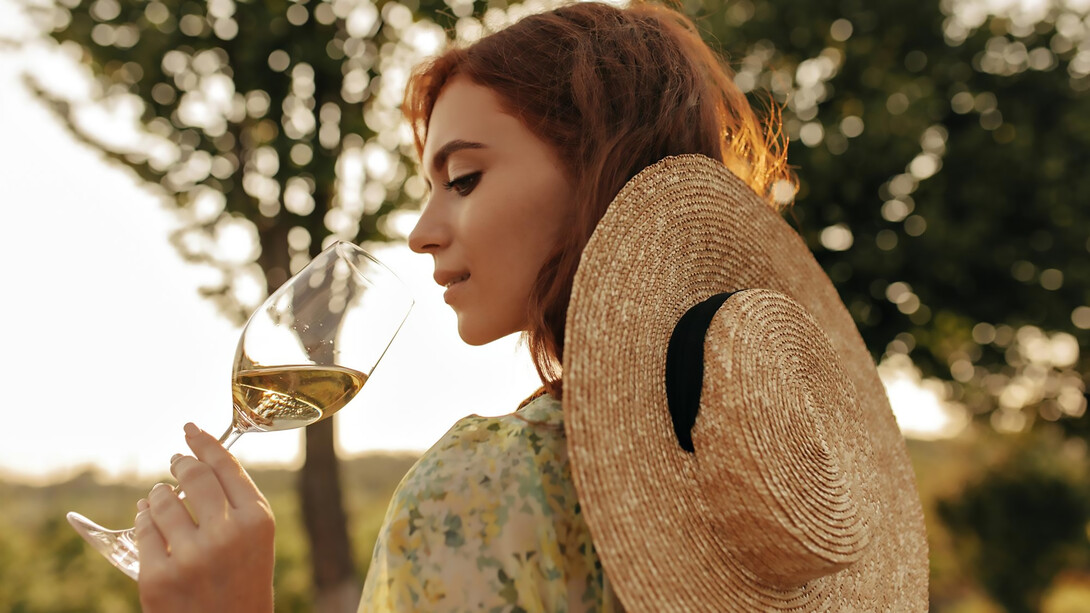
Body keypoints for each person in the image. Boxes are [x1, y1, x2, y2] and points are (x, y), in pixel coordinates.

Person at [133, 2, 929, 611]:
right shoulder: (796, 515)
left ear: (596, 177)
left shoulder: (486, 488)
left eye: (465, 178)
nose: (420, 232)